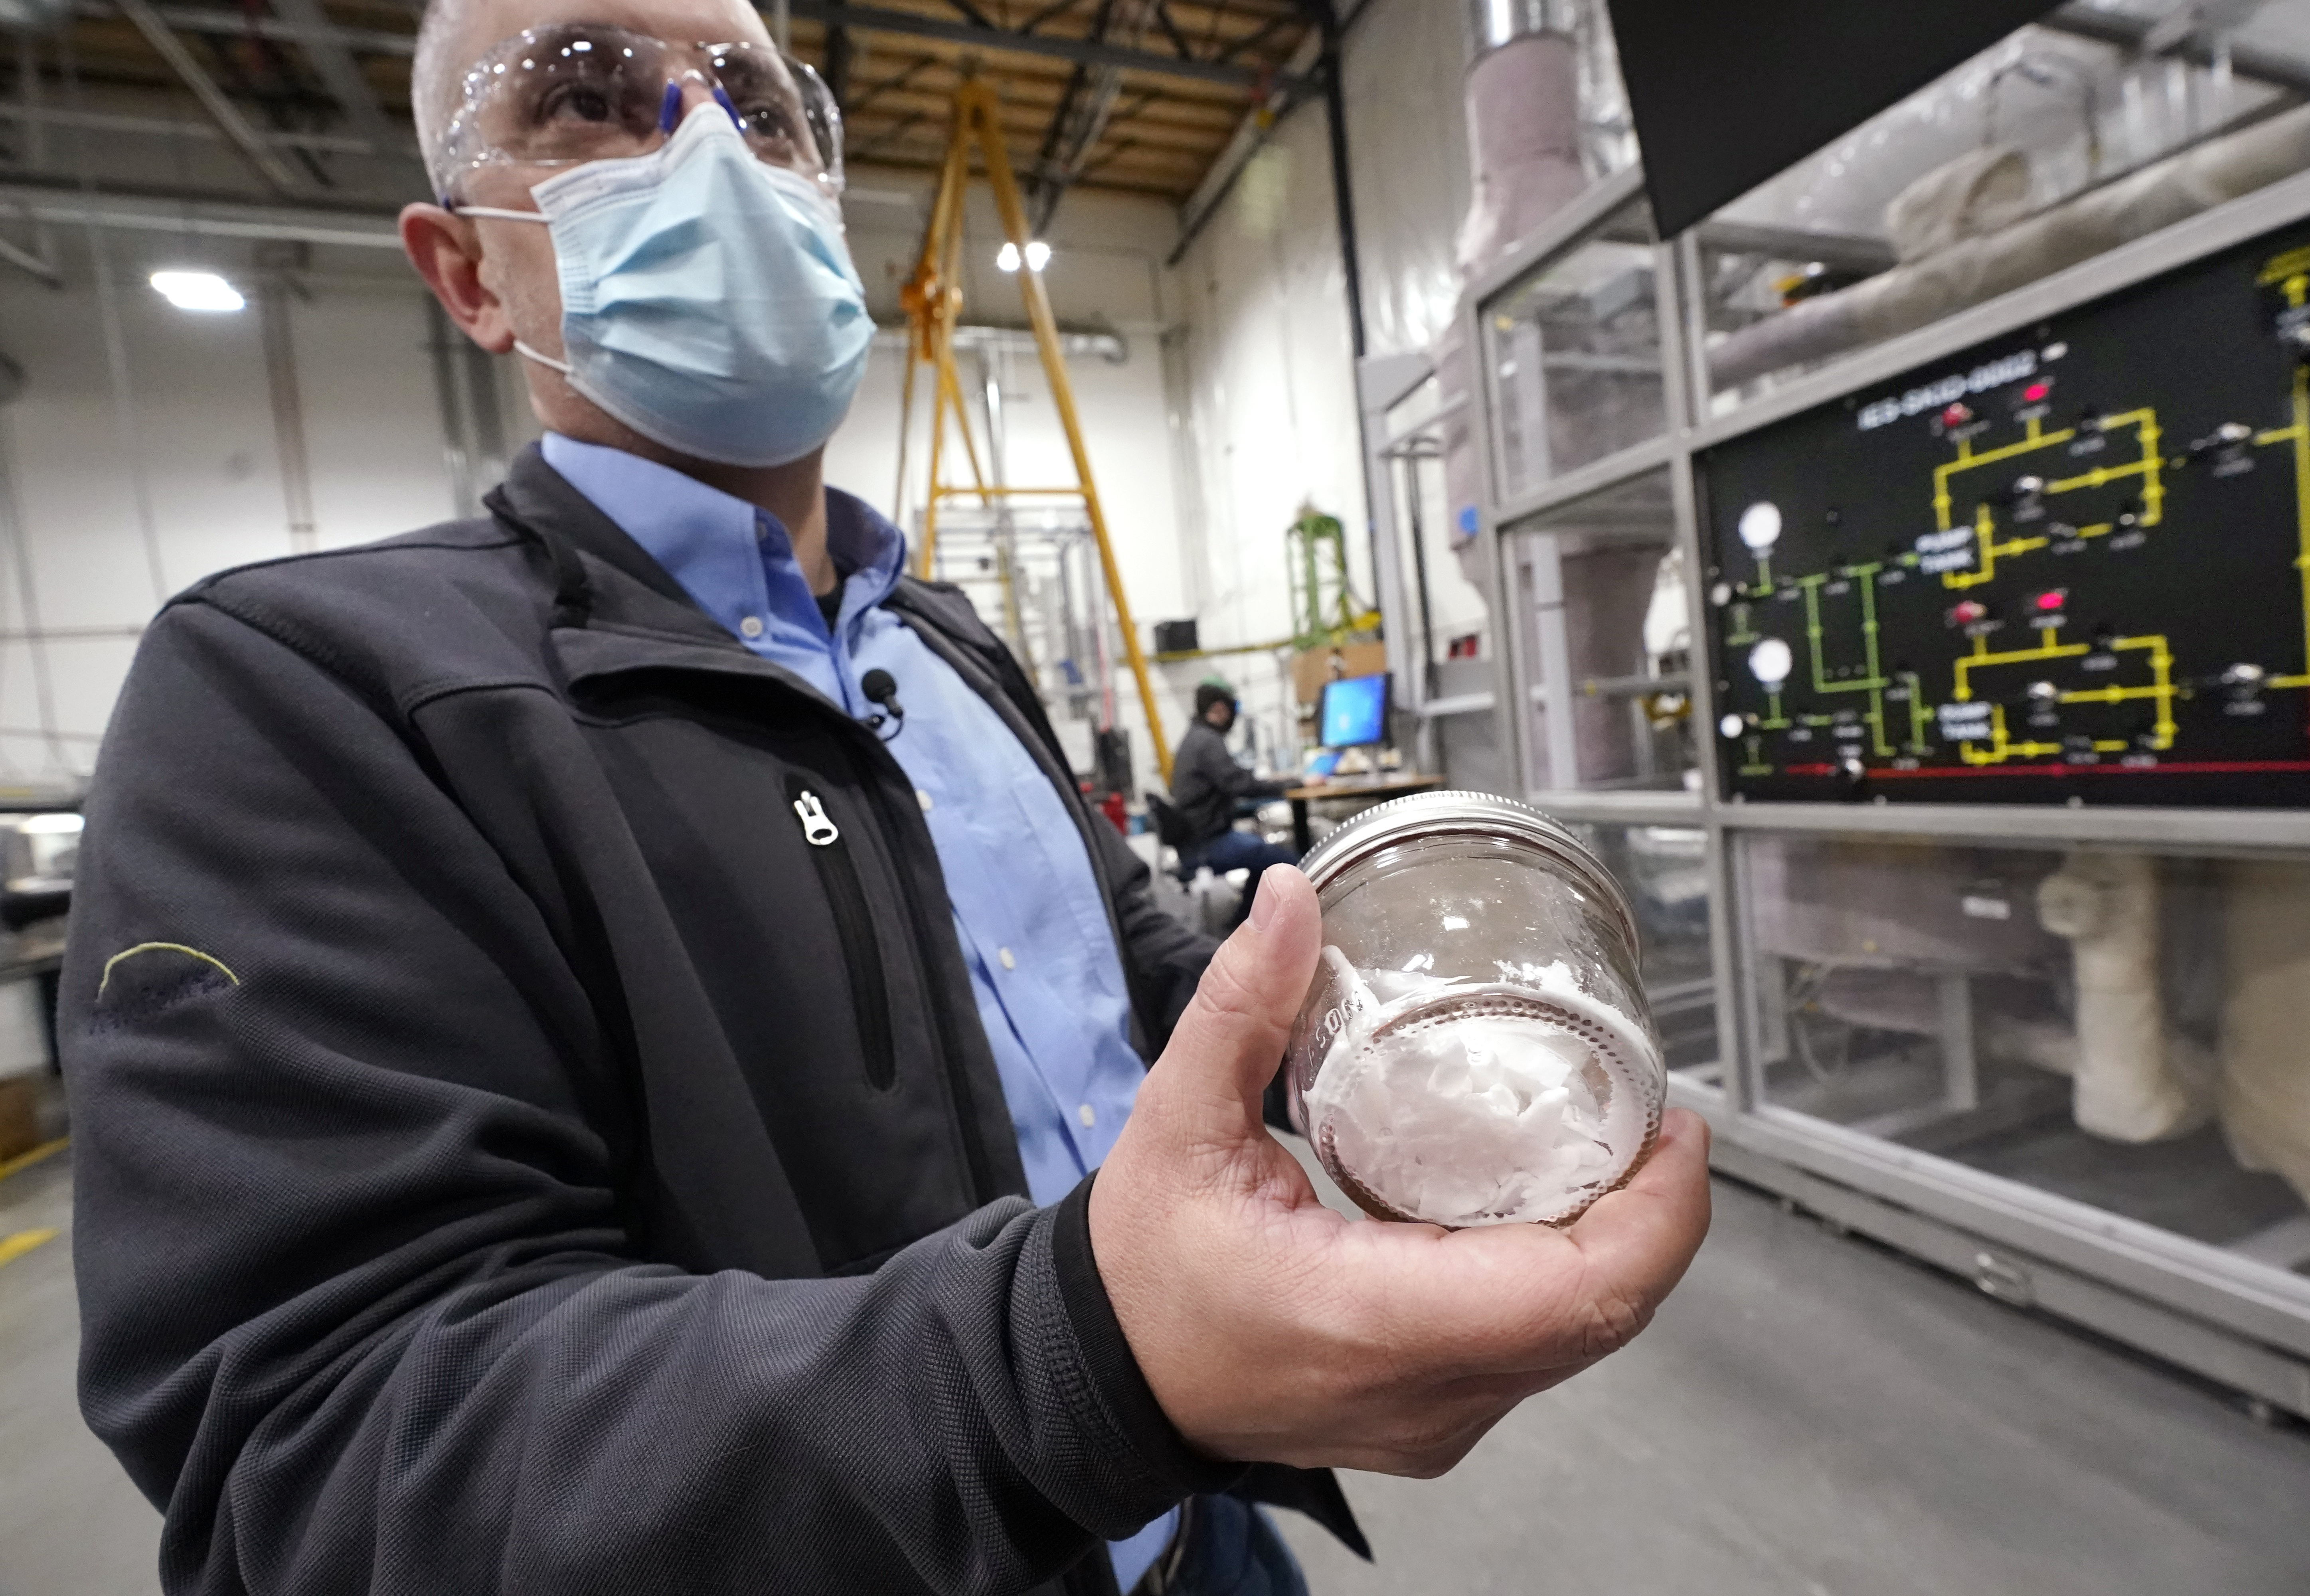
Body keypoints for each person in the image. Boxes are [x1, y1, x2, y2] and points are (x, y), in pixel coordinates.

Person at [59, 0, 1715, 1592]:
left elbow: (1127, 972)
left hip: (1193, 1535)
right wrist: (1081, 1369)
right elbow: (331, 1454)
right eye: (585, 93)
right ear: (468, 273)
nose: (704, 140)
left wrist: (1396, 1025)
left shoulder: (940, 639)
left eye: (757, 103)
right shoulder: (311, 690)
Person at [1169, 683, 1300, 924]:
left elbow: (1231, 779)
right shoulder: (1207, 741)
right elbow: (1238, 784)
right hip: (1207, 844)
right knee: (1288, 863)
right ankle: (1301, 922)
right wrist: (1289, 785)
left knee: (1261, 854)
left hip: (1196, 840)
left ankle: (1246, 921)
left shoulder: (1195, 738)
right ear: (1220, 710)